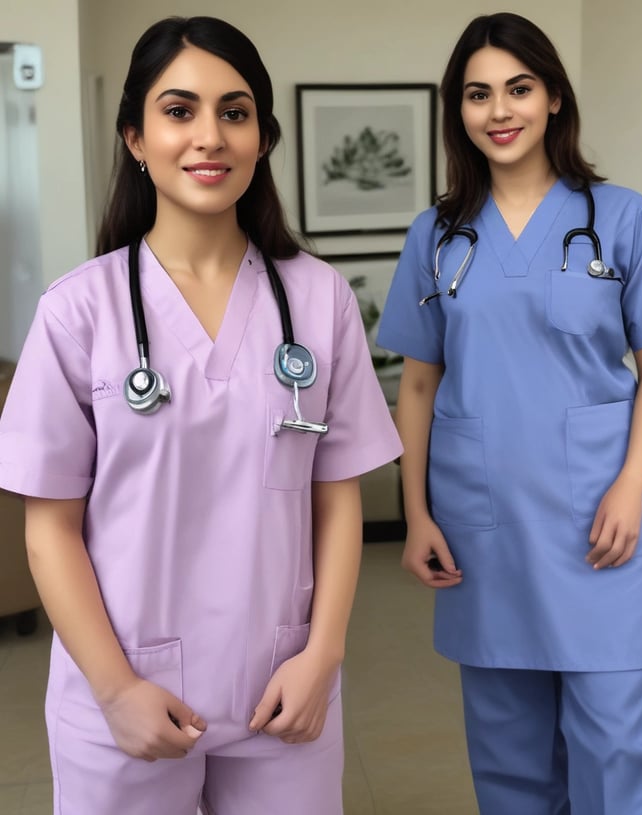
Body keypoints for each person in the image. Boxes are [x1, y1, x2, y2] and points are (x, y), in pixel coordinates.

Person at [0, 16, 401, 815]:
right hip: (124, 693)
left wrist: (323, 653)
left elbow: (338, 497)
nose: (208, 136)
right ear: (136, 138)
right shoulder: (78, 312)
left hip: (282, 688)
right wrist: (115, 691)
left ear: (262, 138)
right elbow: (48, 528)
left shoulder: (317, 299)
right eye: (179, 111)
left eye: (235, 111)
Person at [377, 12, 642, 815]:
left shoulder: (620, 216)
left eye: (518, 88)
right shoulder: (436, 235)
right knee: (511, 759)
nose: (499, 110)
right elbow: (418, 385)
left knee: (619, 745)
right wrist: (413, 510)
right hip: (484, 528)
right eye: (477, 93)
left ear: (553, 96)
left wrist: (631, 484)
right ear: (458, 110)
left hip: (602, 520)